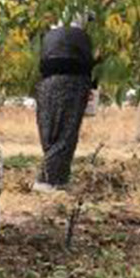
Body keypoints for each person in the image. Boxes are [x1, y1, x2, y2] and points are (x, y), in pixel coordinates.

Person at [34, 23, 96, 192]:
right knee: (66, 135)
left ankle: (58, 179)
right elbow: (90, 64)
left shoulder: (49, 35)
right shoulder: (82, 36)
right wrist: (92, 87)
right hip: (73, 84)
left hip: (45, 84)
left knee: (49, 135)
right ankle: (46, 180)